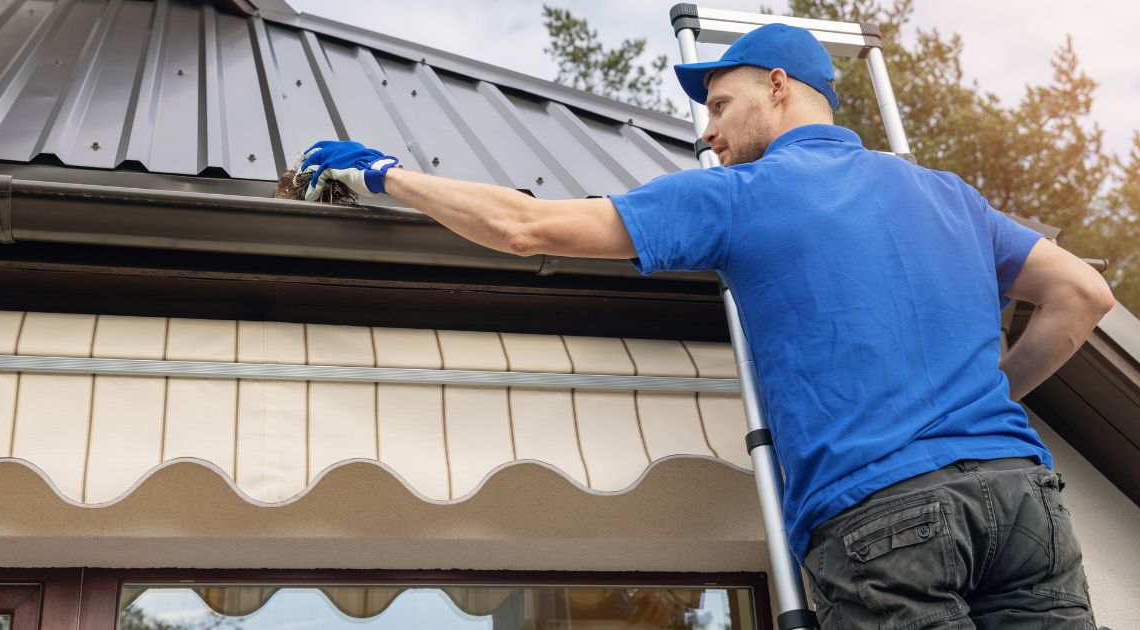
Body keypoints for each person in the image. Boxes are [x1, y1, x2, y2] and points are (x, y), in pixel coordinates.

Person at [293, 22, 1113, 629]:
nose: (708, 131)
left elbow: (526, 227)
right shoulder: (946, 194)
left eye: (722, 104)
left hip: (884, 516)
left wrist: (384, 173)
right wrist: (982, 396)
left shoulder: (743, 196)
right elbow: (1082, 295)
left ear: (781, 86)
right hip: (1023, 504)